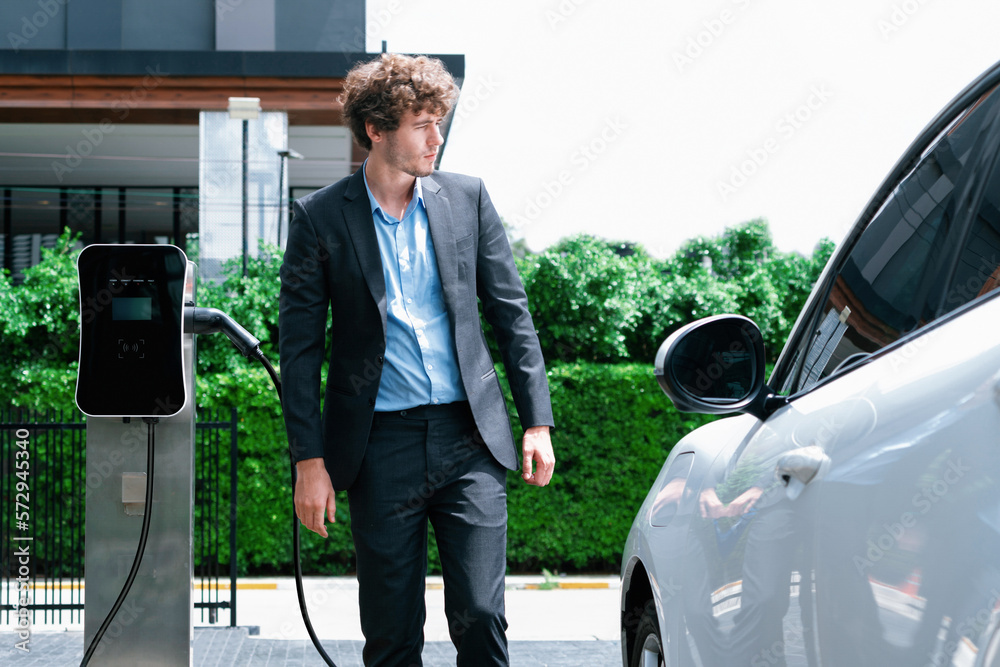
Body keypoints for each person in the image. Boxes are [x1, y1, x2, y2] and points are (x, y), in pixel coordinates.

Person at [278, 53, 555, 667]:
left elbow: (513, 315)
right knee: (392, 633)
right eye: (422, 123)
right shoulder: (320, 218)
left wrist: (537, 421)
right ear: (376, 130)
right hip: (379, 448)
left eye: (441, 121)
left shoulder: (467, 199)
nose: (438, 137)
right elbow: (298, 352)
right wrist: (309, 462)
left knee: (481, 618)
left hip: (469, 439)